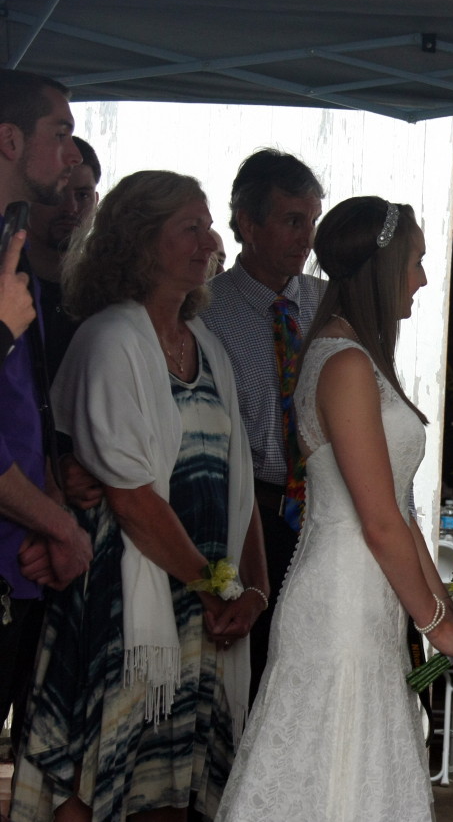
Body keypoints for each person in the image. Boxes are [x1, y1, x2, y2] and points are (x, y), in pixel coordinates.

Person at [216, 196, 453, 821]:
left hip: (372, 598)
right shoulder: (343, 363)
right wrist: (434, 625)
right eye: (416, 262)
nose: (423, 278)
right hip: (340, 601)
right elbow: (379, 521)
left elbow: (401, 511)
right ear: (383, 267)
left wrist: (445, 606)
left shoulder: (362, 358)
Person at [10, 170, 267, 822]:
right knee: (99, 775)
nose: (212, 240)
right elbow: (132, 500)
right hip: (126, 599)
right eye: (192, 227)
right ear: (141, 241)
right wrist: (214, 587)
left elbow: (238, 485)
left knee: (172, 784)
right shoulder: (111, 338)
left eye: (209, 225)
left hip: (202, 603)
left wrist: (254, 589)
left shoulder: (207, 345)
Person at [201, 148, 325, 701]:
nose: (307, 238)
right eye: (293, 221)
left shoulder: (329, 304)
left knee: (314, 682)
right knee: (248, 685)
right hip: (248, 518)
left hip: (324, 519)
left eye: (313, 221)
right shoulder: (205, 311)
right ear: (247, 225)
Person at [0, 68, 91, 761]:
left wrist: (47, 508)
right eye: (59, 133)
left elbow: (21, 414)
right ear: (9, 140)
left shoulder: (15, 248)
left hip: (17, 558)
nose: (71, 154)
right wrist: (62, 527)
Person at [26, 135, 101, 381]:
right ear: (27, 199)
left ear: (96, 201)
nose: (70, 208)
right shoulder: (9, 281)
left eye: (83, 195)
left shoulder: (108, 287)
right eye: (57, 194)